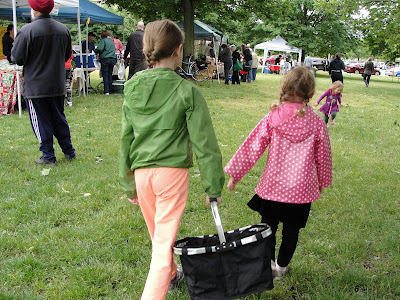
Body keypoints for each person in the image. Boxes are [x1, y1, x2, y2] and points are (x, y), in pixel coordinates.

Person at [119, 19, 224, 300]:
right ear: (179, 50)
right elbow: (205, 144)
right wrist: (214, 186)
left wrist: (128, 183)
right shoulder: (187, 90)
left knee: (160, 236)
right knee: (162, 243)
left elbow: (126, 140)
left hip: (142, 176)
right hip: (170, 176)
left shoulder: (132, 87)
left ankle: (173, 272)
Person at [224, 66, 332, 279]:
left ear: (283, 88)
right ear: (310, 94)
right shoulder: (317, 122)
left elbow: (252, 147)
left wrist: (235, 175)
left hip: (272, 188)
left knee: (268, 230)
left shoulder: (273, 117)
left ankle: (271, 264)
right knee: (292, 232)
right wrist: (322, 181)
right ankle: (281, 268)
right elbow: (324, 156)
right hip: (301, 191)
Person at [11, 0, 76, 166]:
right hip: (56, 83)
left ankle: (48, 156)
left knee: (40, 121)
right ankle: (69, 151)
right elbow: (67, 54)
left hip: (36, 85)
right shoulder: (63, 29)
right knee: (59, 118)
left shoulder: (26, 31)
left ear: (33, 9)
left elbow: (17, 58)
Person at [94, 31, 116, 95]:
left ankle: (106, 91)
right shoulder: (112, 41)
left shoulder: (103, 41)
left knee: (105, 75)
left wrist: (95, 51)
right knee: (110, 75)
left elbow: (100, 48)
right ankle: (110, 89)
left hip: (105, 59)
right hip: (112, 59)